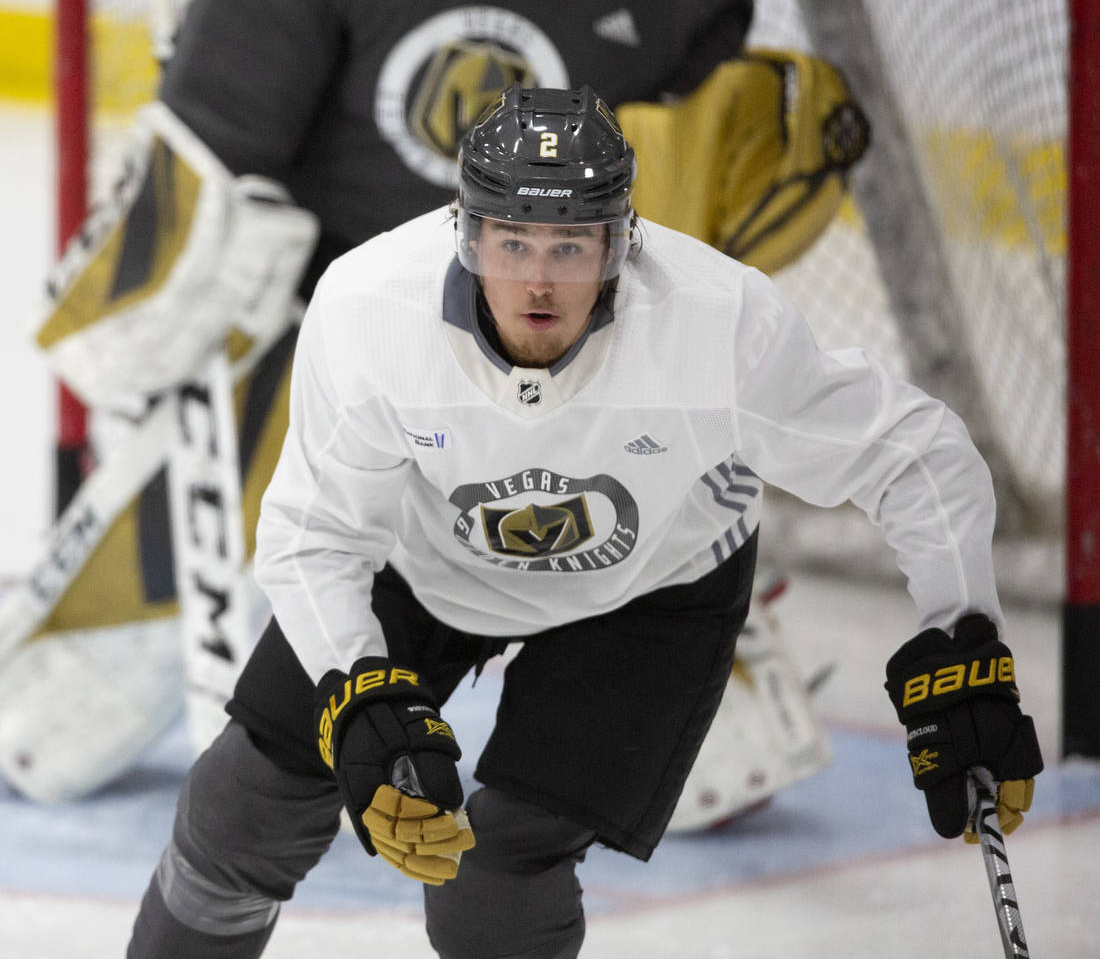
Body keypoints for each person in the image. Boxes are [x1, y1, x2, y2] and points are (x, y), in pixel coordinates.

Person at [8, 0, 864, 807]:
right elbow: (223, 119)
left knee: (699, 778)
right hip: (327, 341)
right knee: (41, 727)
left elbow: (664, 241)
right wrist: (163, 272)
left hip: (543, 367)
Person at [127, 84, 1041, 959]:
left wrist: (962, 630)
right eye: (511, 242)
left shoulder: (716, 326)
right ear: (466, 233)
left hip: (654, 590)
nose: (537, 280)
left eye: (570, 246)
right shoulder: (371, 311)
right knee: (241, 809)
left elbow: (912, 452)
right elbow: (314, 536)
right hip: (423, 564)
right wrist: (358, 687)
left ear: (621, 245)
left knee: (497, 873)